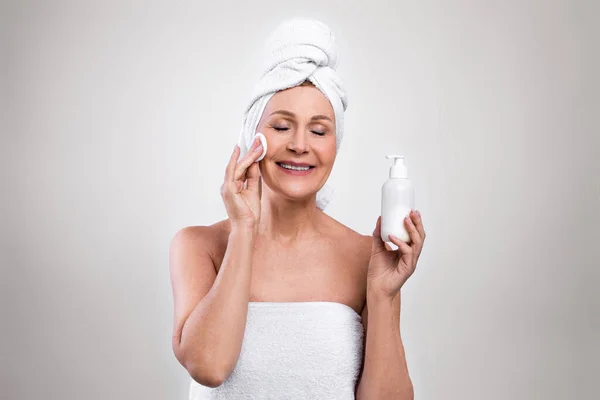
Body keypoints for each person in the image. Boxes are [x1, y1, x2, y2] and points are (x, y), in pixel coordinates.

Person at [169, 18, 426, 400]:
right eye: (281, 126)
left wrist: (384, 295)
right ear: (251, 136)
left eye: (319, 130)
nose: (299, 145)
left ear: (335, 145)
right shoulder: (200, 246)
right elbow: (209, 367)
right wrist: (243, 229)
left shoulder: (365, 257)